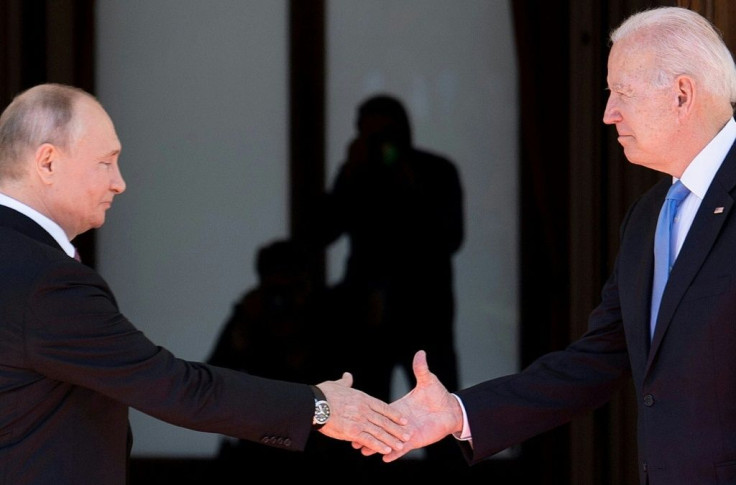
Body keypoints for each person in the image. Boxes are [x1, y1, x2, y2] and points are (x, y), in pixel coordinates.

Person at [364, 7, 736, 485]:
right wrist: (459, 414)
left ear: (682, 94)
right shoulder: (648, 216)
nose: (608, 113)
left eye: (622, 92)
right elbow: (596, 360)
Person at [0, 83, 410, 485]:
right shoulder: (46, 281)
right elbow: (174, 387)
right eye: (106, 162)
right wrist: (321, 407)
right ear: (48, 162)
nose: (119, 182)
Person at [316, 94, 465, 468]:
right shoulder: (357, 174)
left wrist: (412, 186)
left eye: (387, 133)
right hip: (367, 314)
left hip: (425, 311)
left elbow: (451, 237)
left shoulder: (436, 171)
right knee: (364, 425)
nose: (381, 143)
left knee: (442, 419)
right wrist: (349, 174)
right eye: (370, 134)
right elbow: (319, 233)